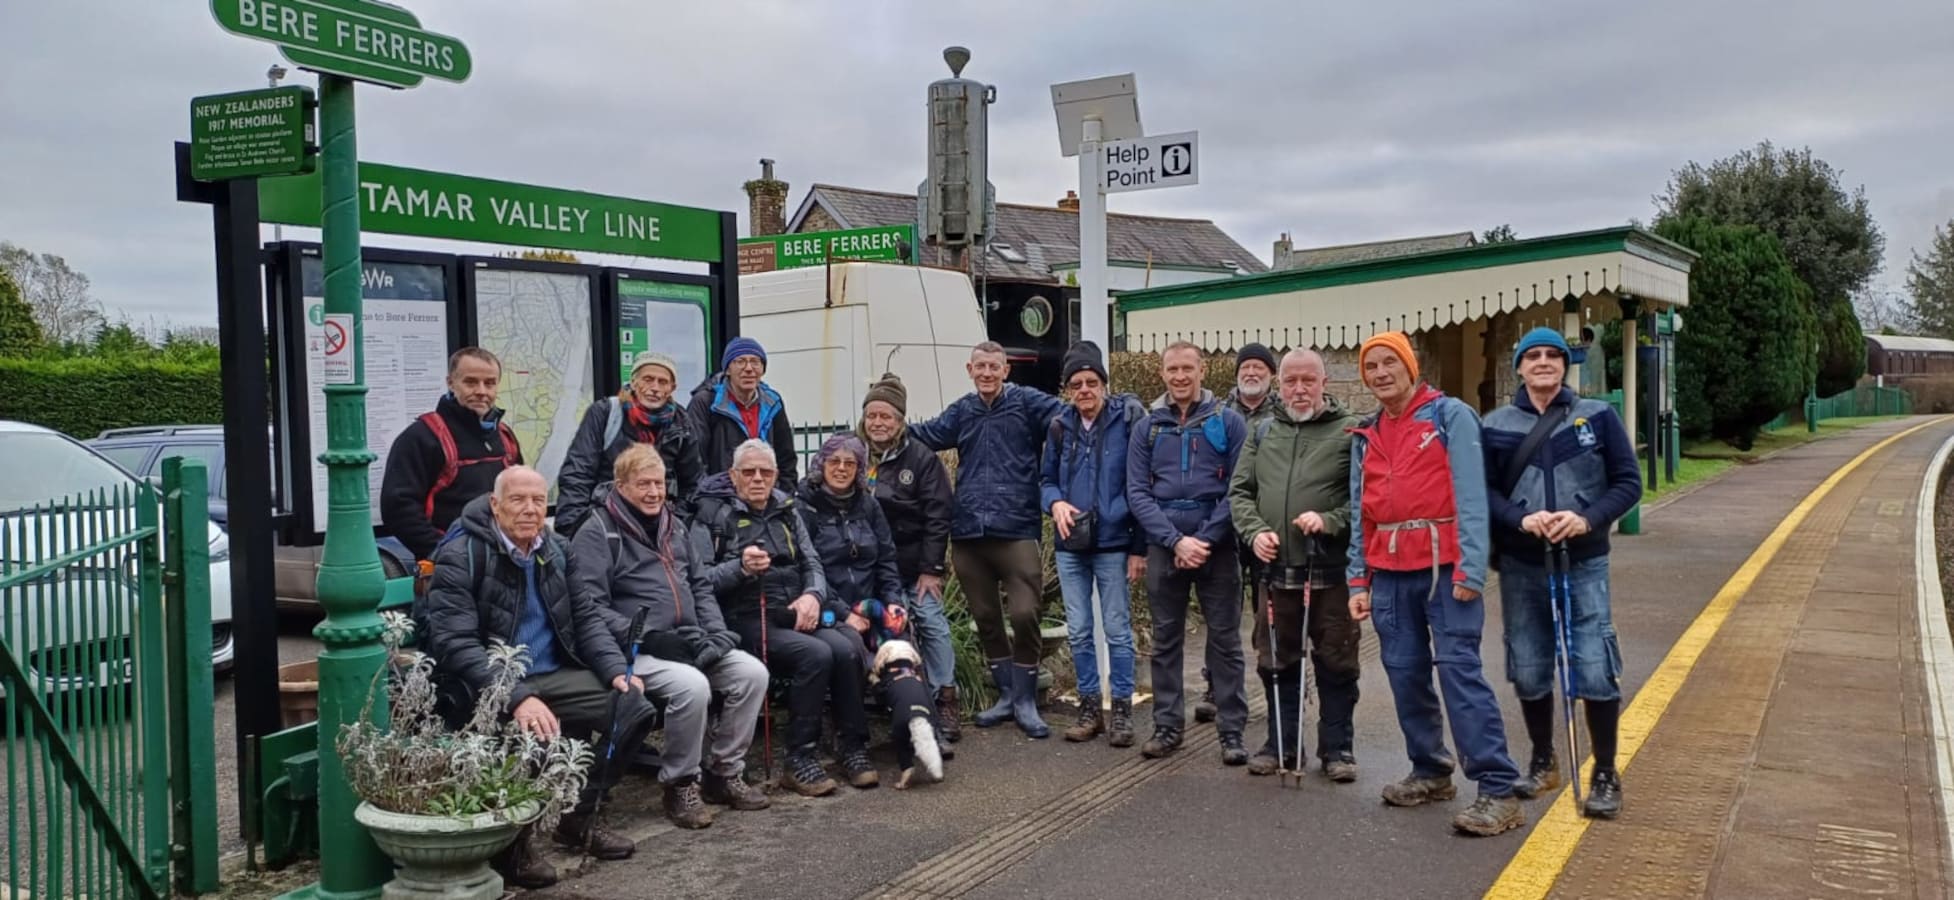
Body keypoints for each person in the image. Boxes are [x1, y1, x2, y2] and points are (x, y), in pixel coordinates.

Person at [420, 467, 650, 889]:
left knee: (633, 706)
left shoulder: (557, 548)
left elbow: (586, 618)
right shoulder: (462, 554)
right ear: (495, 505)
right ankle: (514, 845)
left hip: (555, 673)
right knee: (535, 736)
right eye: (518, 500)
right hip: (492, 683)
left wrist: (616, 670)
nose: (529, 509)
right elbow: (455, 643)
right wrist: (517, 696)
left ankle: (578, 816)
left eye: (538, 501)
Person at [1345, 331, 1525, 837]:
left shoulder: (1450, 416)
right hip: (1389, 574)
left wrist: (1471, 568)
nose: (1380, 373)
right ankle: (1430, 770)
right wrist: (1358, 579)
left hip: (1444, 572)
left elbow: (1472, 495)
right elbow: (1362, 513)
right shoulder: (1366, 434)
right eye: (1371, 367)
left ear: (1411, 366)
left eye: (1389, 363)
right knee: (1404, 674)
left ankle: (1499, 789)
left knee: (1459, 674)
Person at [567, 445, 771, 830]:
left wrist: (715, 634)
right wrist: (647, 637)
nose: (653, 493)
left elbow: (700, 585)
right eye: (643, 484)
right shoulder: (597, 531)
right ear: (621, 485)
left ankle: (724, 772)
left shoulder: (673, 525)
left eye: (659, 484)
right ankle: (680, 783)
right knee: (692, 687)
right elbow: (589, 607)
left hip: (687, 638)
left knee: (751, 673)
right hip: (632, 650)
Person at [1483, 327, 1641, 819]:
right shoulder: (1495, 424)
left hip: (1583, 561)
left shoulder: (1597, 416)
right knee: (1530, 665)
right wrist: (1520, 519)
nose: (1544, 361)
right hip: (1521, 564)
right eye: (1533, 355)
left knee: (1593, 665)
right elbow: (1484, 493)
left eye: (1553, 354)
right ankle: (1542, 759)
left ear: (1565, 362)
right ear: (1520, 367)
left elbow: (1627, 483)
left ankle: (1605, 773)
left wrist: (1587, 518)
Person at [691, 439, 874, 796]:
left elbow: (812, 562)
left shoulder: (788, 510)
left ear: (776, 475)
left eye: (765, 472)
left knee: (848, 647)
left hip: (795, 611)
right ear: (733, 475)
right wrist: (740, 568)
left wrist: (812, 596)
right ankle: (799, 757)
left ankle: (851, 746)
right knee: (816, 654)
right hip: (746, 617)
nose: (758, 479)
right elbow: (699, 580)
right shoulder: (713, 517)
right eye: (749, 472)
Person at [908, 342, 1066, 739]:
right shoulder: (963, 410)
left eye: (994, 367)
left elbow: (1071, 415)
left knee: (1025, 613)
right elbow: (928, 434)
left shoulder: (1027, 402)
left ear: (1006, 370)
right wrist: (885, 425)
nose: (987, 373)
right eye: (980, 367)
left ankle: (1027, 699)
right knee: (986, 618)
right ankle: (1007, 695)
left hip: (1016, 527)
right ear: (970, 369)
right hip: (968, 533)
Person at [1228, 349, 1364, 782]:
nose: (1300, 389)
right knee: (1276, 661)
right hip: (1275, 572)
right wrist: (1254, 532)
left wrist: (1329, 521)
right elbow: (1240, 492)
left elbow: (1363, 500)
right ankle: (1281, 744)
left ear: (1324, 383)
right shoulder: (1263, 431)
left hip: (1330, 571)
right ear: (1279, 385)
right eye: (1291, 381)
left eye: (1308, 380)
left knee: (1337, 662)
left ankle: (1337, 748)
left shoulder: (1351, 431)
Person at [1126, 341, 1249, 763]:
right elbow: (1137, 492)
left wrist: (1205, 539)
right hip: (1165, 545)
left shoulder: (1229, 422)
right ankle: (1166, 726)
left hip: (1218, 545)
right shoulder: (1147, 428)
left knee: (1226, 642)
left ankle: (1232, 731)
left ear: (1202, 371)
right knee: (1165, 641)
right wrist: (1174, 540)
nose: (1180, 376)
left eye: (1187, 368)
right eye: (1172, 369)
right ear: (1162, 373)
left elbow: (1240, 487)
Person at [1038, 341, 1146, 747]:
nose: (1084, 390)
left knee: (1117, 630)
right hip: (1070, 544)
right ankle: (1088, 709)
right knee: (1081, 630)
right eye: (1076, 384)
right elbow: (1045, 480)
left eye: (1091, 382)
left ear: (1104, 384)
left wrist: (1139, 547)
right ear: (1067, 389)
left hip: (1114, 542)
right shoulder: (1059, 427)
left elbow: (1140, 484)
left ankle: (1121, 710)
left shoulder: (1127, 422)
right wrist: (1055, 502)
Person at [857, 373, 960, 749]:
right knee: (881, 629)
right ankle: (886, 699)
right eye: (872, 415)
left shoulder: (921, 458)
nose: (878, 423)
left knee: (931, 622)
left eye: (886, 416)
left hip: (915, 564)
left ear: (900, 420)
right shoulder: (853, 454)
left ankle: (944, 697)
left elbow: (938, 515)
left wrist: (932, 569)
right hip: (870, 568)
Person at [1198, 341, 1281, 724]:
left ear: (1271, 374)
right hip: (1226, 525)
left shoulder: (1283, 413)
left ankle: (1275, 683)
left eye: (1258, 367)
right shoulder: (1217, 412)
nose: (1251, 372)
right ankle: (1216, 686)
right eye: (1245, 367)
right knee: (1222, 612)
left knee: (1269, 611)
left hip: (1268, 525)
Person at [381, 347, 524, 562]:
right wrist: (447, 553)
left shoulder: (505, 437)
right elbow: (399, 509)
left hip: (504, 562)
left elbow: (522, 496)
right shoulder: (422, 437)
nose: (481, 391)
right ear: (450, 383)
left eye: (490, 383)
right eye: (470, 382)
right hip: (450, 567)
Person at [554, 350, 706, 537]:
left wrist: (675, 523)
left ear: (672, 388)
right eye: (648, 379)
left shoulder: (681, 423)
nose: (655, 388)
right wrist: (574, 530)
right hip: (608, 524)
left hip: (659, 528)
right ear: (633, 382)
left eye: (662, 382)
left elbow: (693, 484)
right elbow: (578, 473)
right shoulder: (605, 413)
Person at [688, 336, 798, 489]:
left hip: (764, 495)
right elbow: (695, 460)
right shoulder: (706, 402)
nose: (748, 368)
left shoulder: (773, 402)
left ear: (763, 369)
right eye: (740, 361)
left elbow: (786, 459)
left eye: (755, 362)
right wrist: (710, 496)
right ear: (727, 370)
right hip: (720, 496)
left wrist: (784, 494)